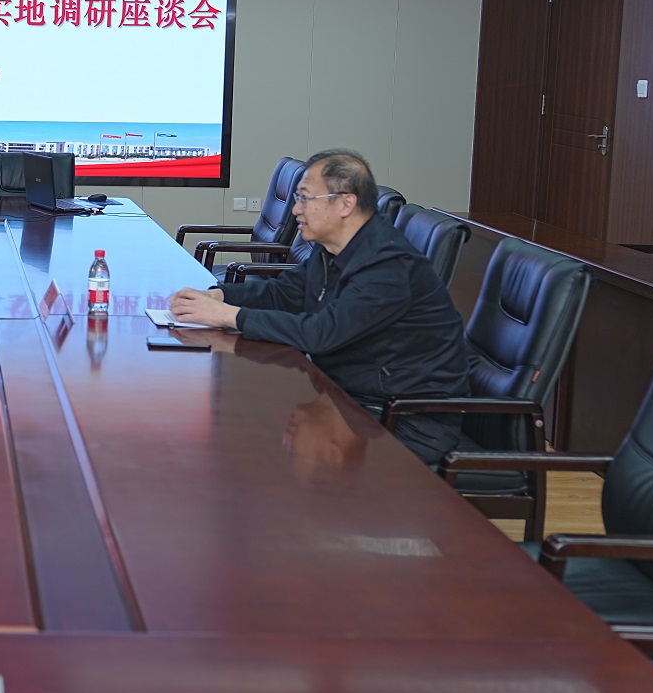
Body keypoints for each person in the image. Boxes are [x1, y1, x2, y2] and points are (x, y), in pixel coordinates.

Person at [167, 149, 470, 464]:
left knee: (256, 442)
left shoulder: (388, 265)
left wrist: (230, 317)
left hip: (404, 420)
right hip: (352, 393)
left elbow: (322, 334)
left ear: (345, 204)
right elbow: (285, 294)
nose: (295, 210)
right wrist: (220, 296)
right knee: (244, 418)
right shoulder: (334, 249)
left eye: (305, 198)